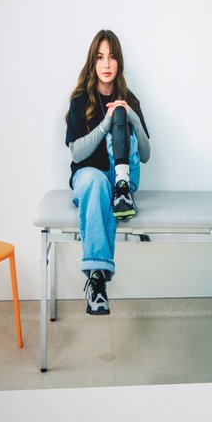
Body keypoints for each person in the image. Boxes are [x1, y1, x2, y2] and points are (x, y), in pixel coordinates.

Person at [65, 29, 151, 315]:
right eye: (100, 57)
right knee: (95, 180)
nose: (106, 64)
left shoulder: (129, 99)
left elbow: (147, 155)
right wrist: (106, 123)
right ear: (93, 62)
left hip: (123, 178)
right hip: (93, 180)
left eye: (112, 57)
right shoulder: (80, 100)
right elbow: (76, 153)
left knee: (122, 115)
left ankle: (123, 188)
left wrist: (130, 117)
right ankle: (97, 281)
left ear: (119, 63)